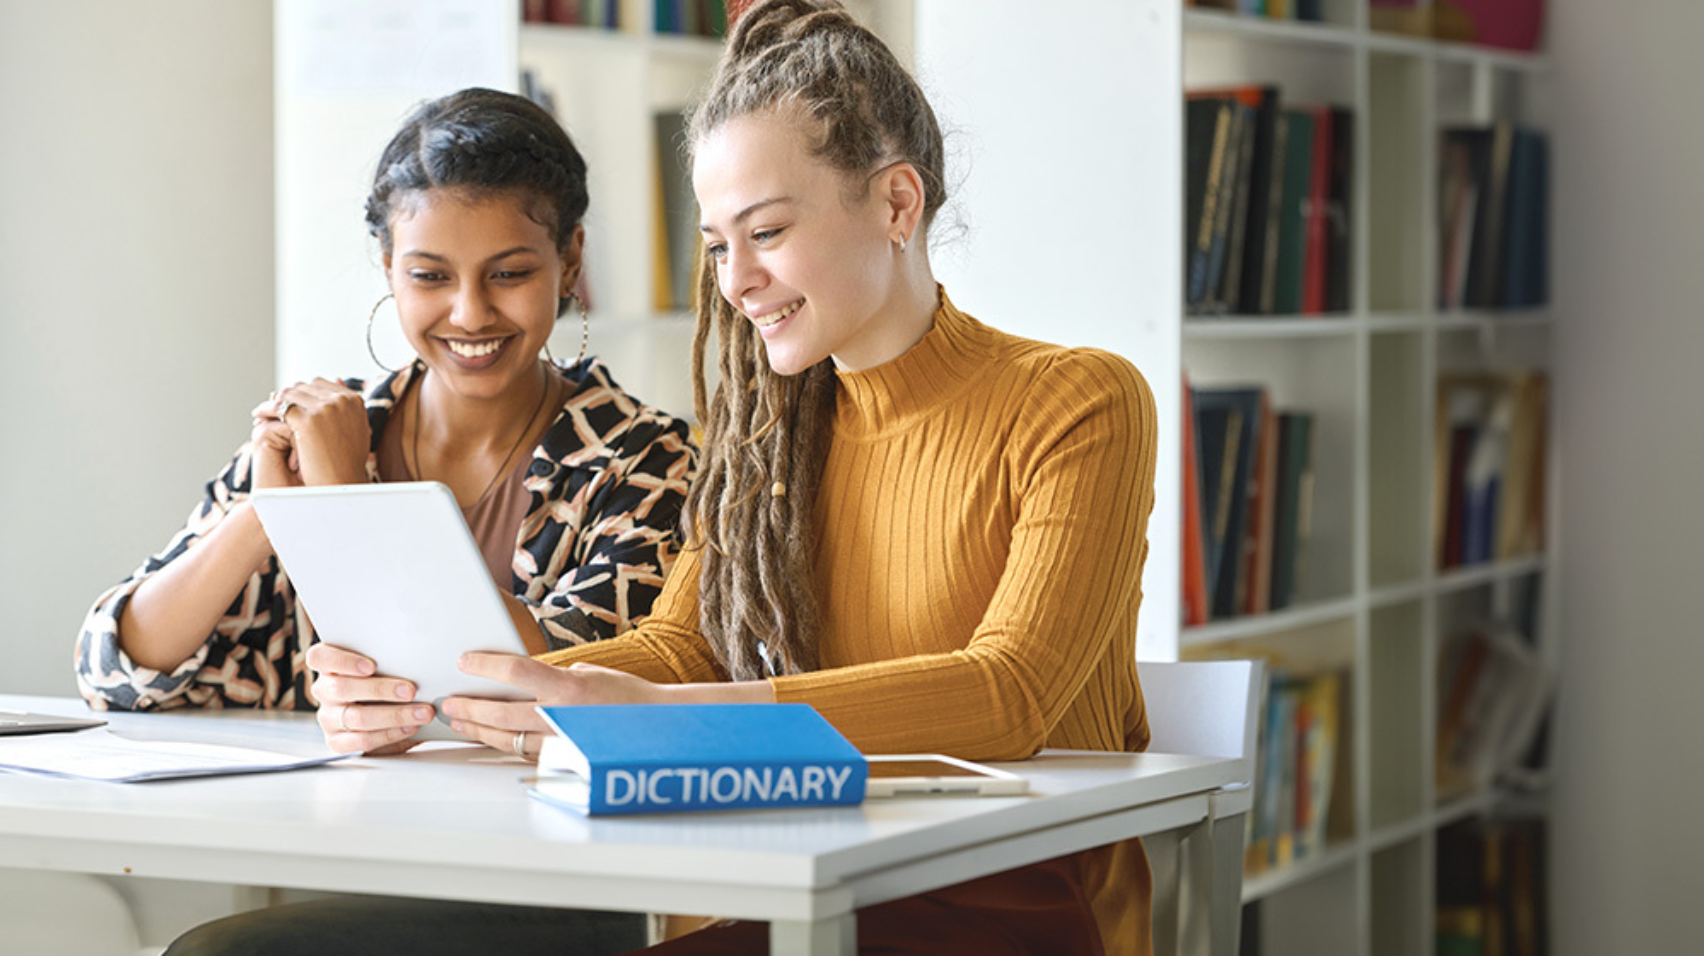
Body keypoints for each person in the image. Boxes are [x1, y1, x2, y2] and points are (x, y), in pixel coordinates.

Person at [307, 2, 1160, 953]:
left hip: (1015, 911)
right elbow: (682, 650)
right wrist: (452, 692)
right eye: (718, 244)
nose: (735, 279)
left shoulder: (1078, 402)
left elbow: (1010, 695)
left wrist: (672, 724)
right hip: (787, 887)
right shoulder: (766, 436)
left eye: (767, 232)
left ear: (897, 204)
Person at [75, 88, 694, 731]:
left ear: (569, 261)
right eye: (430, 276)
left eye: (508, 274)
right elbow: (112, 671)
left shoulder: (648, 462)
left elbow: (557, 682)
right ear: (389, 265)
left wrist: (343, 505)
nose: (470, 313)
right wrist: (275, 512)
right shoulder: (322, 432)